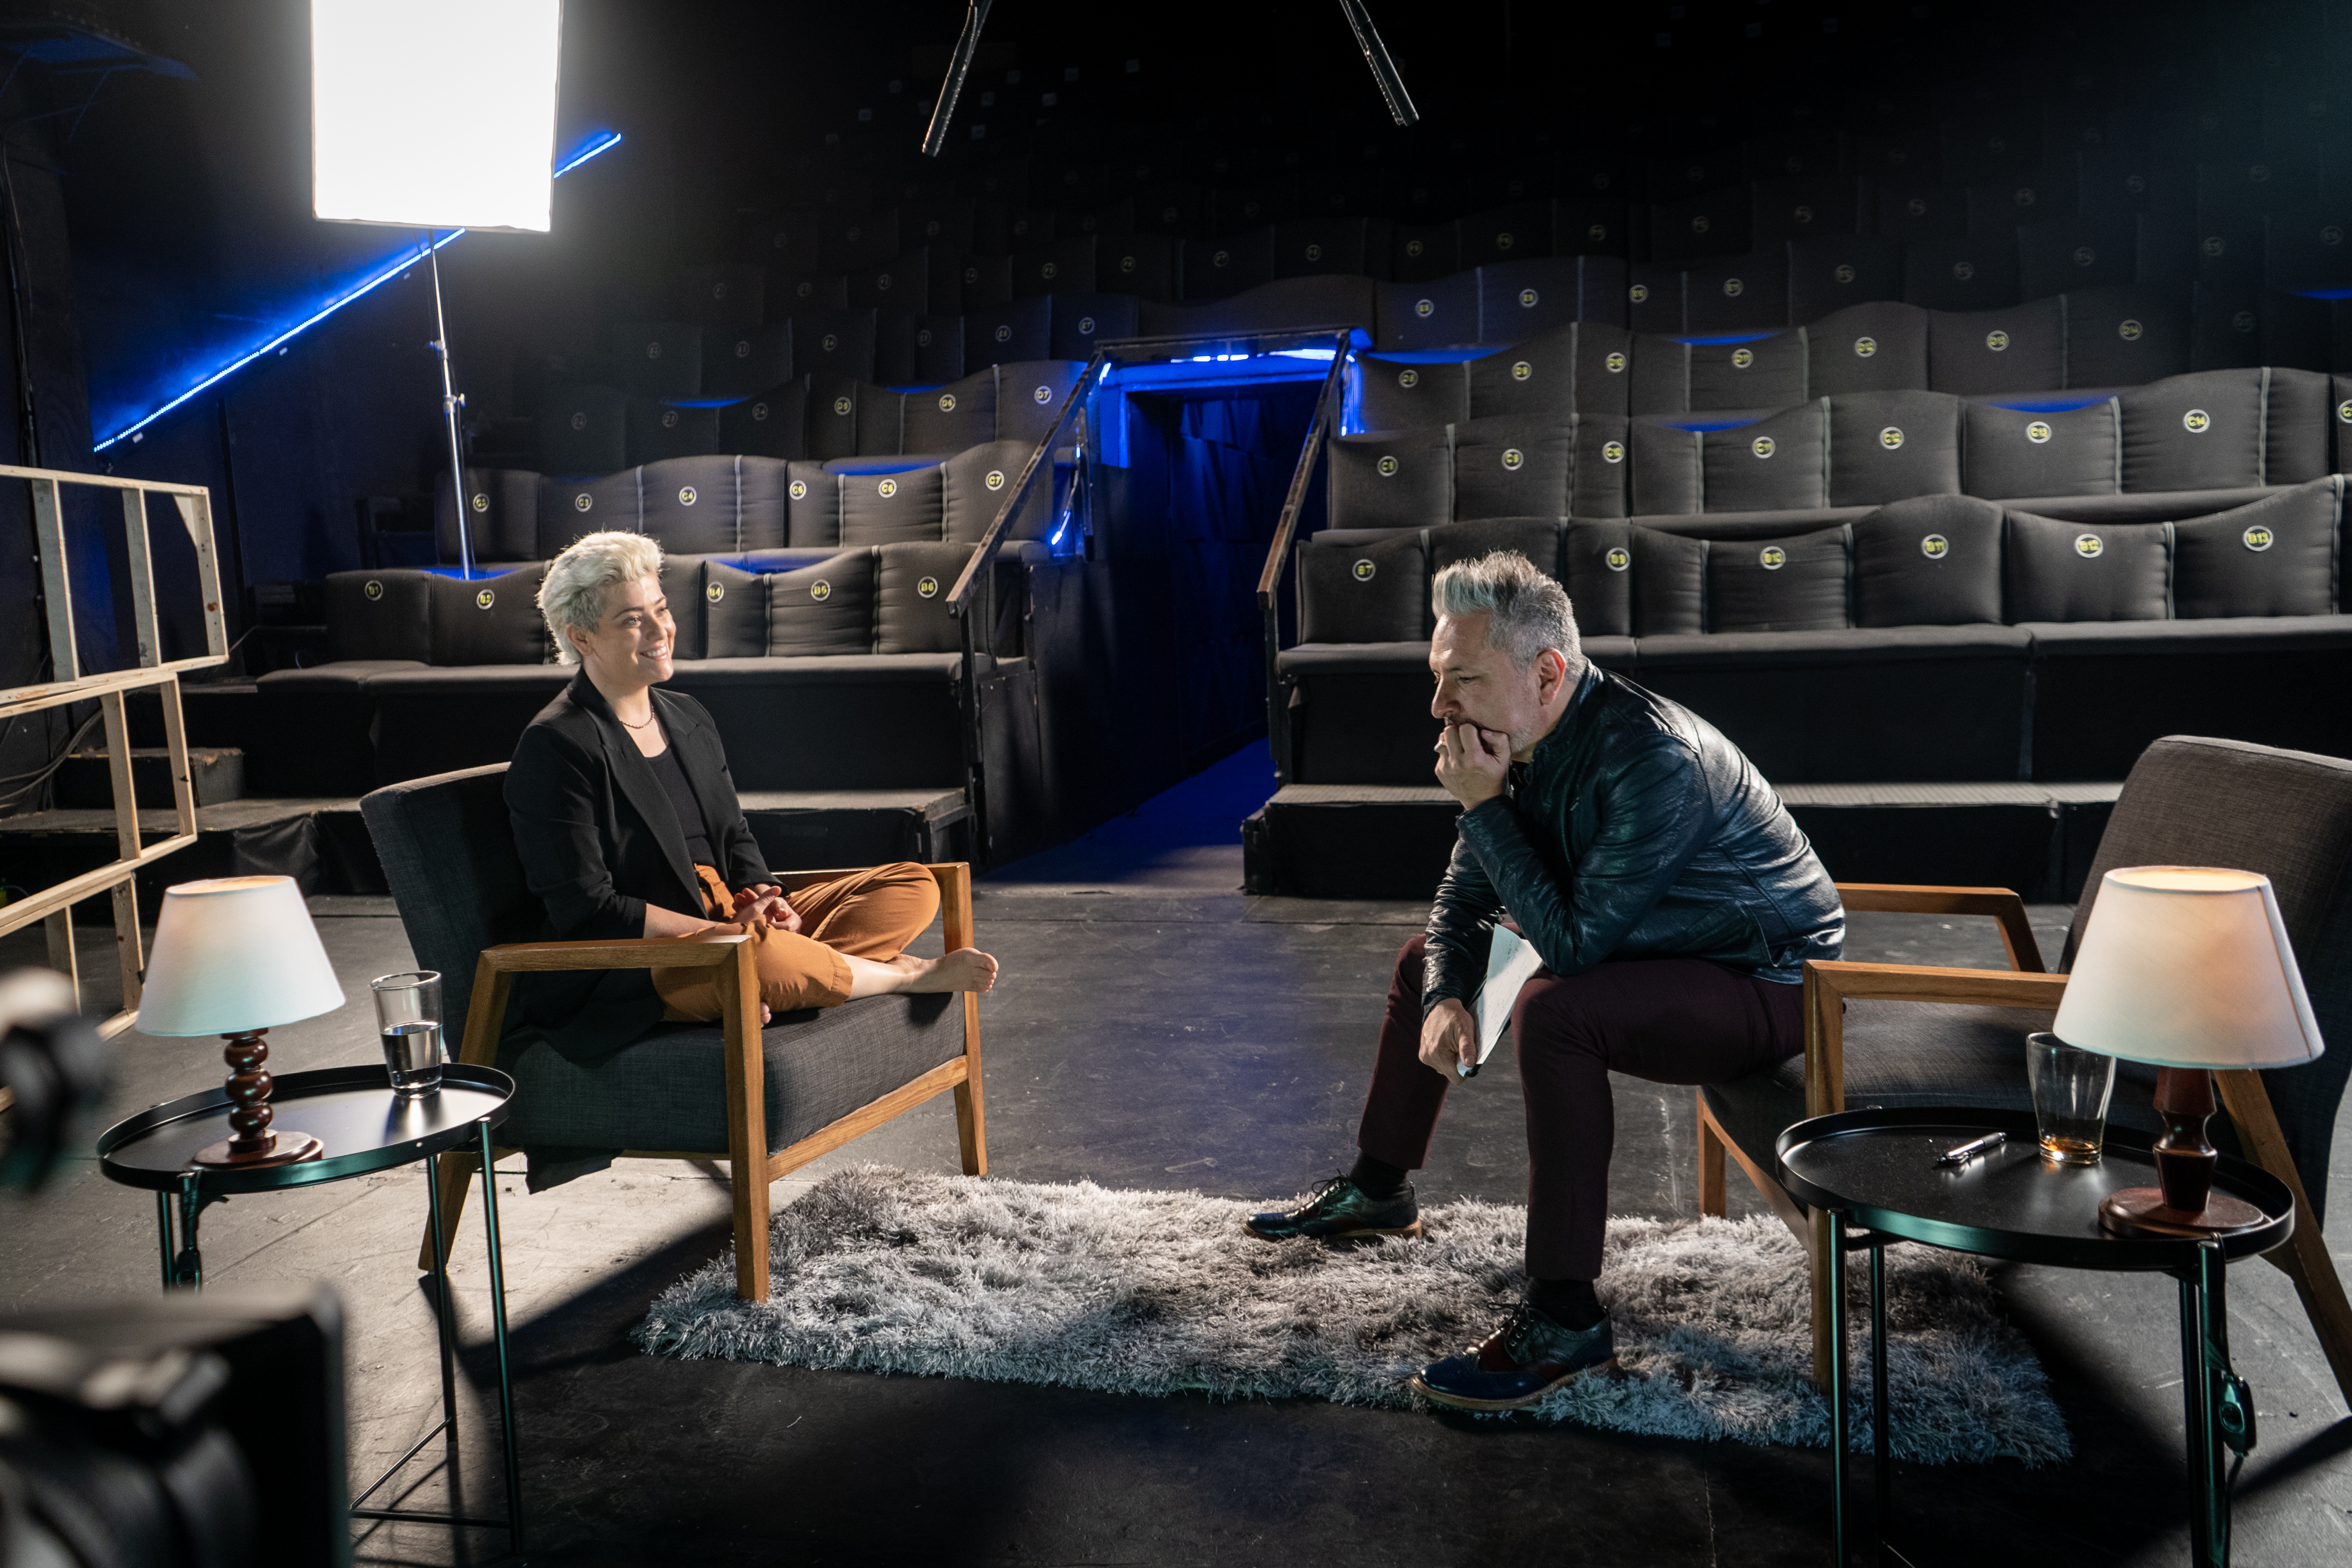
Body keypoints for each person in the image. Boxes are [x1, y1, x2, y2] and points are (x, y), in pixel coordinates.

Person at [1245, 550, 1843, 1411]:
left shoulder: (1653, 758)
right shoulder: (1519, 733)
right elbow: (1464, 894)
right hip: (1657, 942)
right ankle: (1379, 1189)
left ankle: (1566, 1315)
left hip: (1768, 980)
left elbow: (1569, 946)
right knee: (1425, 962)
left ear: (1547, 673)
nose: (1438, 706)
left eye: (1462, 680)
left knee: (1557, 1012)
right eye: (1436, 676)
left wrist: (1483, 805)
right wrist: (1449, 992)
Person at [504, 530, 997, 1063]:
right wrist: (720, 933)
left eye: (661, 610)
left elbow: (733, 833)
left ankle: (788, 973)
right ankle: (905, 975)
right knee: (756, 954)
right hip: (643, 962)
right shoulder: (557, 744)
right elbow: (590, 908)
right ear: (581, 638)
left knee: (910, 885)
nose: (659, 630)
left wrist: (766, 896)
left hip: (726, 921)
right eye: (631, 620)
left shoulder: (687, 715)